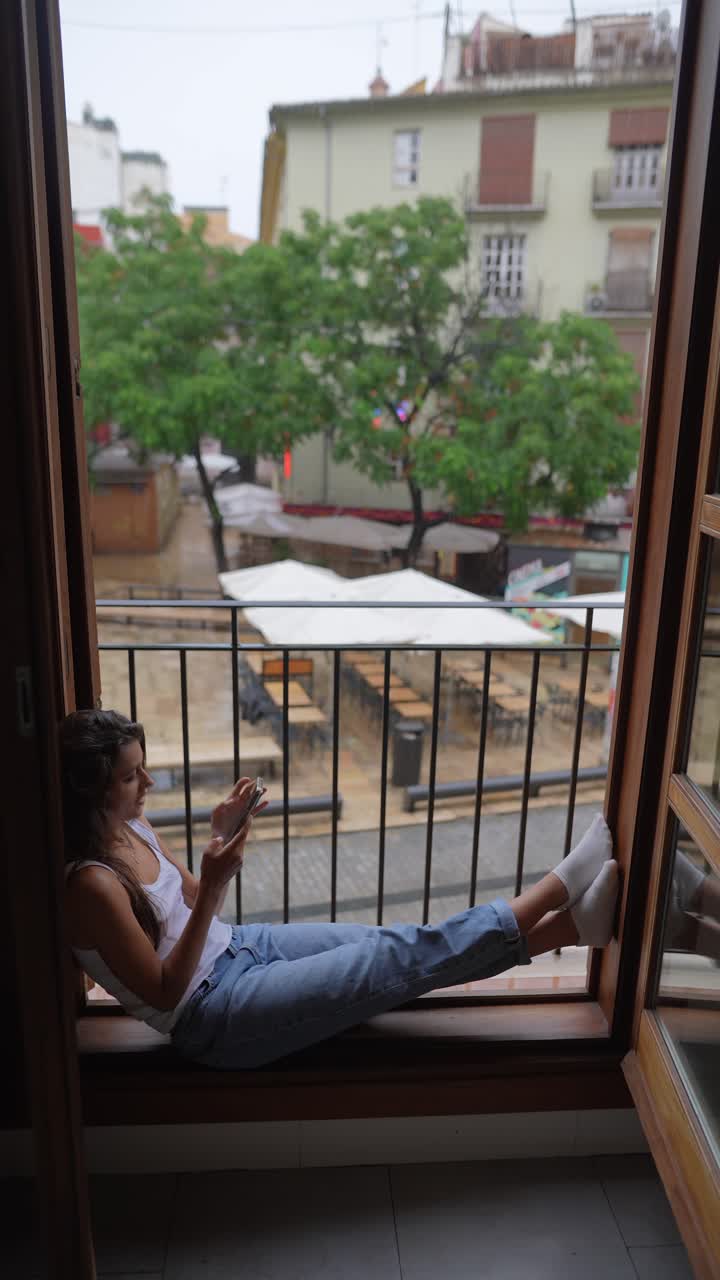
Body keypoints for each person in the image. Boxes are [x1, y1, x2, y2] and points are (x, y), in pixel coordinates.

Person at [61, 709, 619, 1071]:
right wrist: (210, 889)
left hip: (242, 947)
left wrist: (220, 837)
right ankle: (557, 889)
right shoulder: (92, 885)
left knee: (393, 940)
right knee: (389, 957)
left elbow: (193, 906)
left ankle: (572, 927)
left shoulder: (133, 825)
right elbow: (163, 991)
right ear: (92, 792)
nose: (150, 784)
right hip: (214, 1015)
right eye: (133, 776)